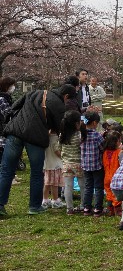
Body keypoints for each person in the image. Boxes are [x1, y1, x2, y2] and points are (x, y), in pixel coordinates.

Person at [0, 85, 74, 215]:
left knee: (6, 171)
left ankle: (0, 205)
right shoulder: (59, 105)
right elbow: (59, 127)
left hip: (15, 131)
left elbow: (15, 106)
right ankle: (34, 206)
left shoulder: (36, 92)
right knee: (36, 172)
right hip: (35, 137)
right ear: (66, 96)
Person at [59, 110, 85, 215]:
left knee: (68, 187)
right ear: (76, 124)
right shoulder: (79, 135)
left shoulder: (62, 135)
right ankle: (83, 205)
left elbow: (58, 149)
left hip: (66, 164)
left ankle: (69, 208)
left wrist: (63, 158)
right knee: (83, 185)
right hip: (79, 164)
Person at [81, 111, 105, 217]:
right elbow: (103, 148)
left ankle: (86, 208)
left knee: (88, 187)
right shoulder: (97, 136)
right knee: (99, 187)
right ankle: (97, 209)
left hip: (85, 165)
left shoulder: (81, 135)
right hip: (97, 165)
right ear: (95, 123)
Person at [42, 132, 65, 209]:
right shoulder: (55, 138)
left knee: (47, 183)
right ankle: (55, 200)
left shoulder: (46, 137)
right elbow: (56, 150)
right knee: (54, 184)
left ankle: (45, 199)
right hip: (55, 165)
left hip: (48, 164)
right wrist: (63, 155)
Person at [102, 130, 122, 217]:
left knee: (109, 193)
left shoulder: (105, 152)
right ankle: (117, 210)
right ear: (116, 142)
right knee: (116, 195)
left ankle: (110, 210)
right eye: (119, 140)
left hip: (106, 177)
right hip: (116, 178)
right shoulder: (118, 152)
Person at [0, 77, 16, 164]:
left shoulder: (7, 97)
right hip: (2, 133)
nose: (14, 87)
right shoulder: (2, 99)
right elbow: (8, 112)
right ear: (7, 86)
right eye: (12, 85)